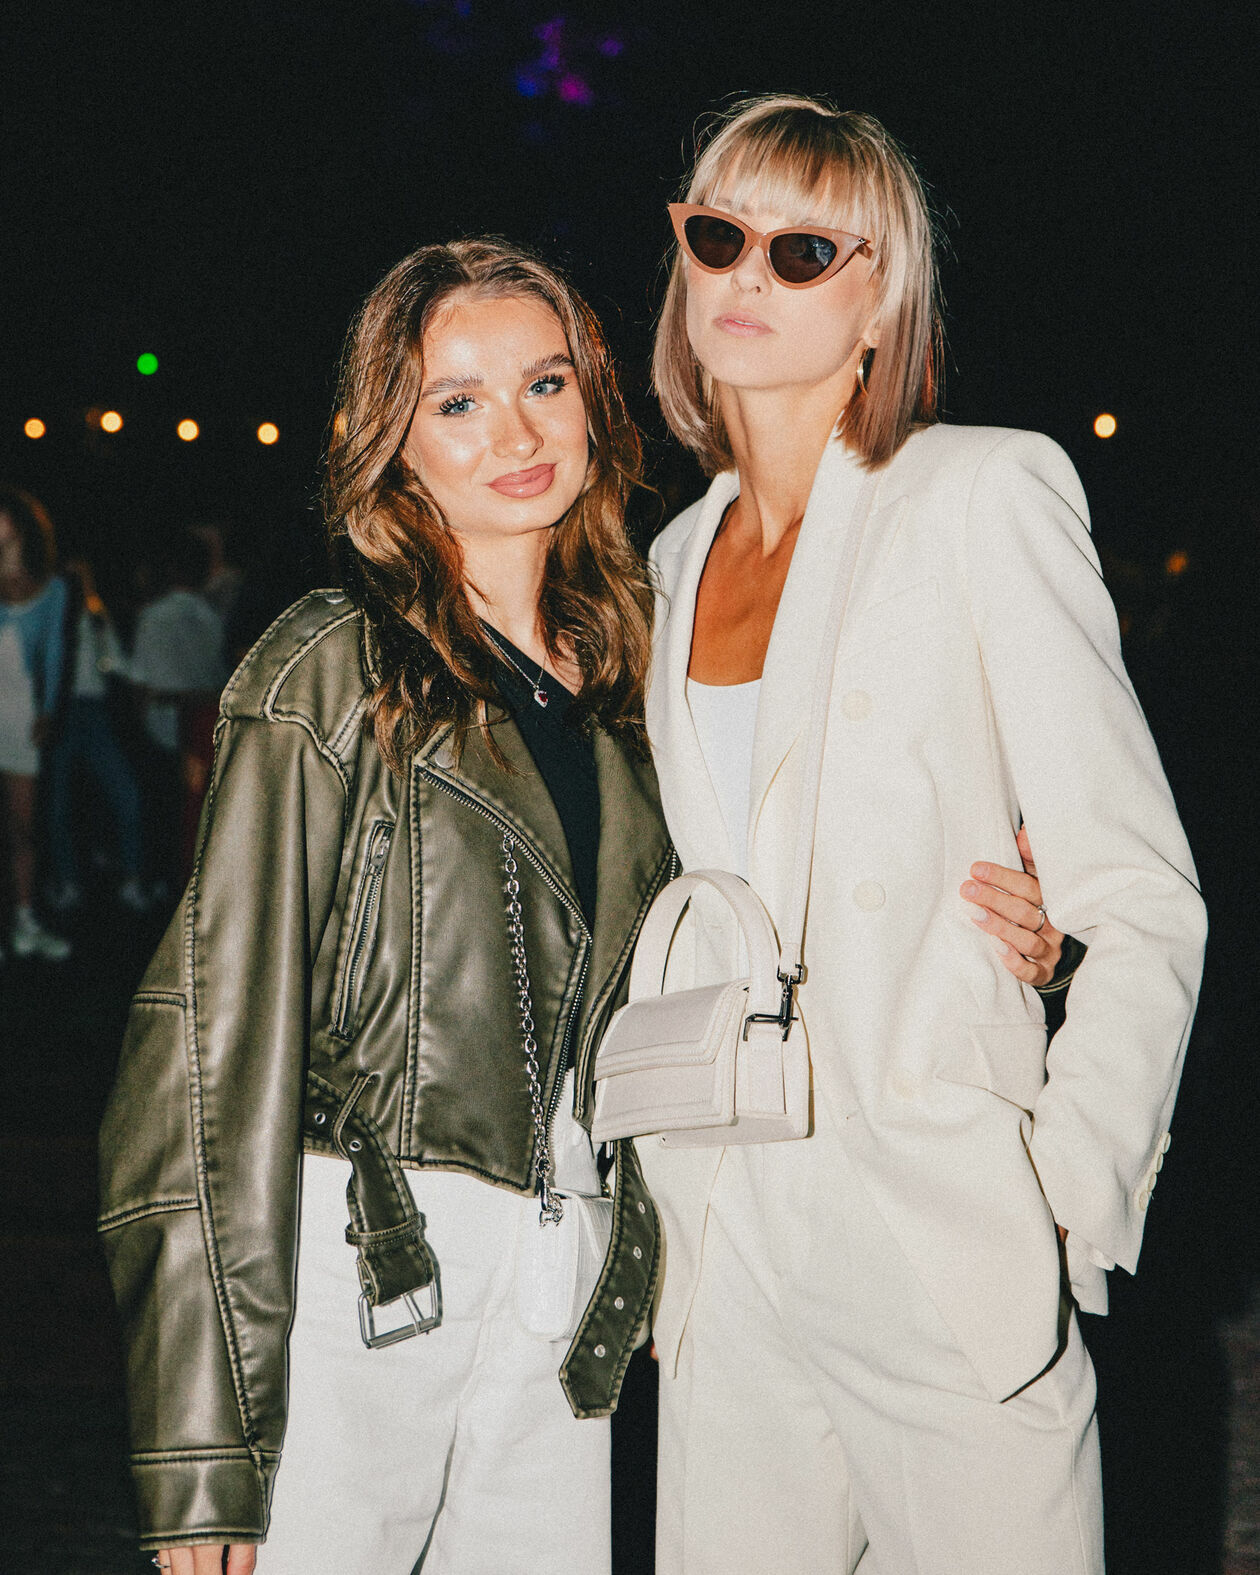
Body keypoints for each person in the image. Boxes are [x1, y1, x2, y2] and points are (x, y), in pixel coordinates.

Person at [638, 96, 1206, 1574]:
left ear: (880, 297)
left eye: (802, 249)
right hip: (729, 1228)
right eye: (719, 235)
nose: (746, 275)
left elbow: (1143, 896)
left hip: (938, 1225)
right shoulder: (672, 559)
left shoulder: (980, 492)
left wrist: (1063, 1199)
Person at [98, 239, 671, 1575]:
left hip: (563, 1282)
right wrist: (203, 1448)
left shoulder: (641, 687)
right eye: (458, 401)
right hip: (359, 1271)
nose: (516, 433)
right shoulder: (332, 668)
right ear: (395, 445)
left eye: (545, 383)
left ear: (593, 400)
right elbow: (202, 1052)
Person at [45, 557, 147, 912]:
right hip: (57, 712)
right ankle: (67, 882)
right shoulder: (50, 614)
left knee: (125, 792)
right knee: (55, 802)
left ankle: (132, 878)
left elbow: (117, 661)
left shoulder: (94, 616)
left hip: (92, 711)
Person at [0, 485, 72, 961]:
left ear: (19, 523)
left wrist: (47, 712)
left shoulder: (53, 589)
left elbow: (54, 656)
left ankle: (25, 920)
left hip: (21, 717)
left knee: (23, 828)